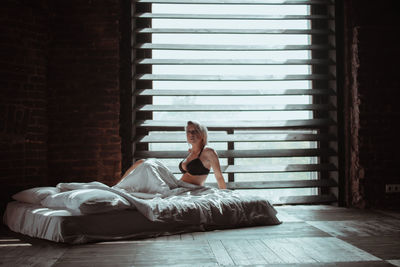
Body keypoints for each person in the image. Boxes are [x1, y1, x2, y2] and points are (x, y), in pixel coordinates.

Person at [119, 120, 227, 190]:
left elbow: (219, 177)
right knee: (142, 162)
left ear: (202, 134)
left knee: (147, 166)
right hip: (177, 184)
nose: (191, 134)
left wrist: (225, 195)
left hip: (191, 188)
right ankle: (117, 187)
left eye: (194, 131)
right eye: (188, 132)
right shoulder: (190, 152)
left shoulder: (208, 152)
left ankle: (119, 188)